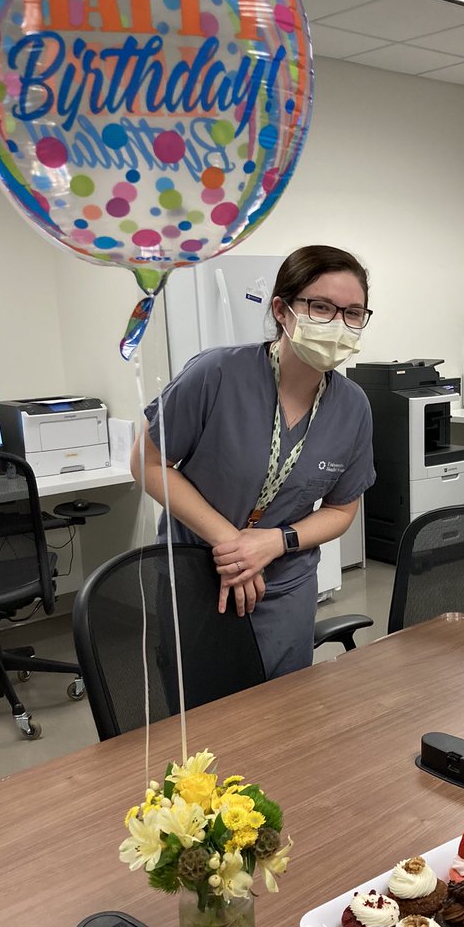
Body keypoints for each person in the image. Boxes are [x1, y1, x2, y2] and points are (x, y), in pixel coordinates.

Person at [133, 244, 376, 679]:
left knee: (280, 715)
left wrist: (272, 543)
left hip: (285, 585)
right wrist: (235, 544)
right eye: (321, 307)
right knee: (200, 716)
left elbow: (341, 510)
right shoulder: (216, 374)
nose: (338, 324)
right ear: (282, 311)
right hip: (198, 574)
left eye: (353, 313)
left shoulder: (352, 407)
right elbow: (149, 465)